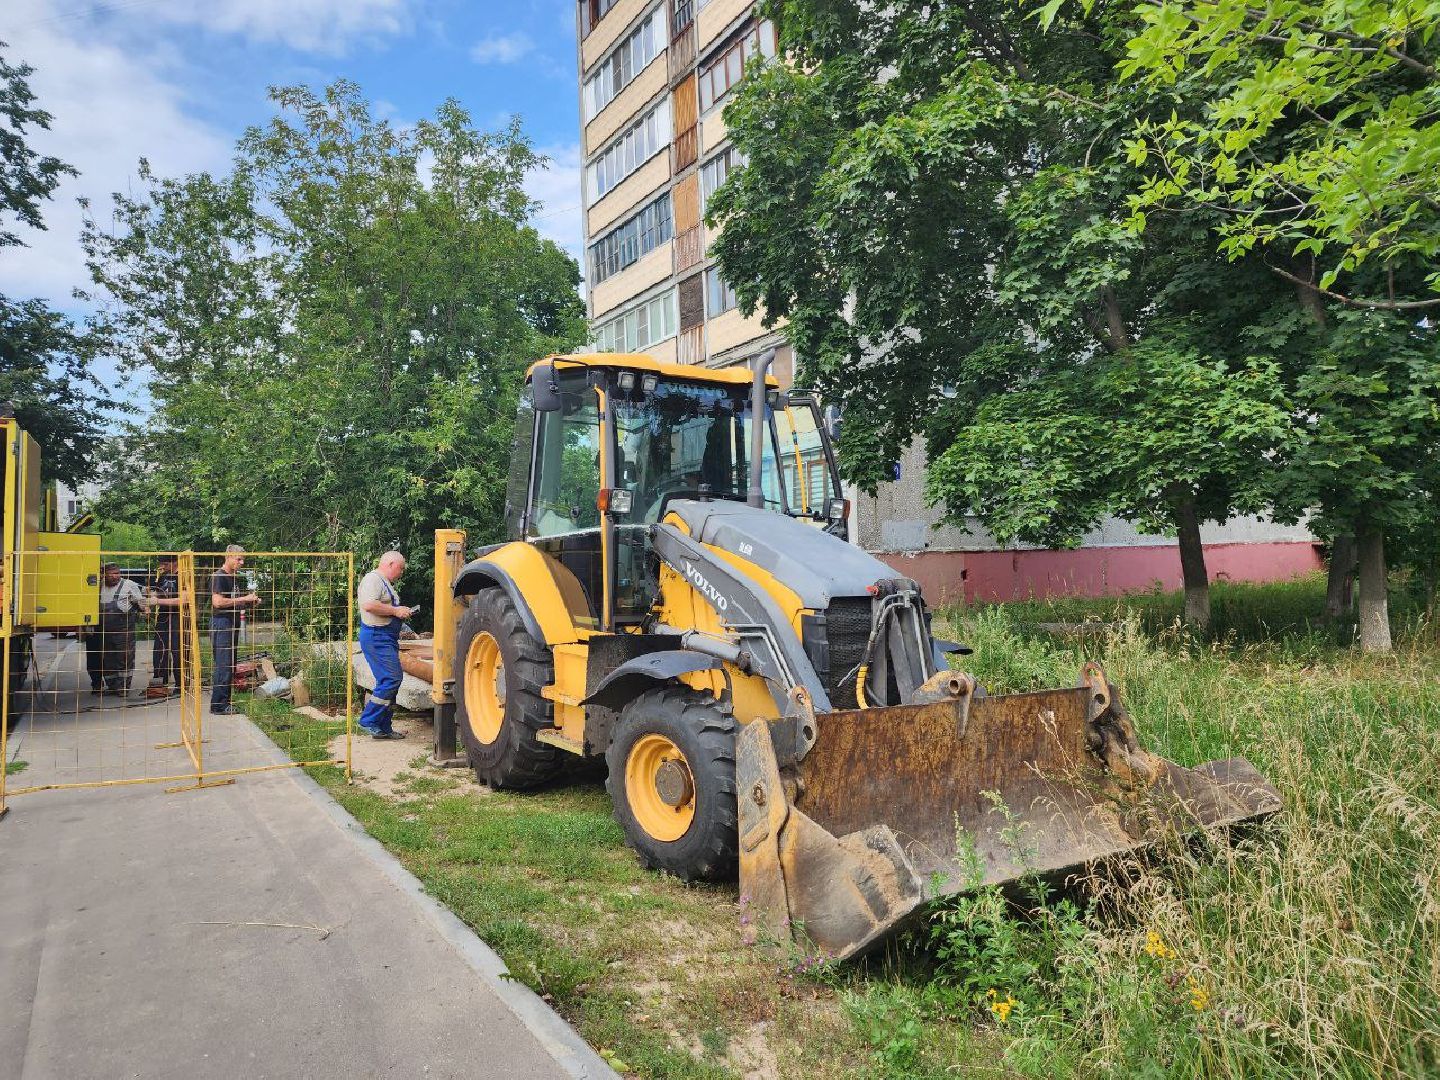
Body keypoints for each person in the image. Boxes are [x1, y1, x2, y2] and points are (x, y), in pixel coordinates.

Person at [355, 550, 415, 739]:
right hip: (376, 637)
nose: (401, 572)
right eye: (400, 568)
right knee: (391, 679)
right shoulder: (373, 580)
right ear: (390, 564)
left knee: (389, 681)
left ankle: (383, 728)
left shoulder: (385, 583)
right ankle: (369, 720)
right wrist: (396, 611)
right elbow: (369, 605)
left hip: (385, 638)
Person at [209, 545, 259, 715]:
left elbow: (234, 600)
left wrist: (250, 601)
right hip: (222, 623)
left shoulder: (234, 577)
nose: (242, 562)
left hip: (232, 623)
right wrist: (244, 598)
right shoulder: (219, 576)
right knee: (223, 664)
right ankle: (218, 705)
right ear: (228, 556)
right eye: (239, 559)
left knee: (229, 664)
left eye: (243, 559)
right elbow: (217, 602)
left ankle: (225, 701)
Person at [93, 563, 147, 695]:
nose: (115, 576)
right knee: (108, 658)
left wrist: (145, 610)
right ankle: (112, 686)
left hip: (124, 630)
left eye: (117, 573)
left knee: (124, 658)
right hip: (104, 630)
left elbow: (141, 603)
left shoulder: (129, 585)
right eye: (112, 573)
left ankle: (123, 688)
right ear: (104, 574)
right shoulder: (98, 586)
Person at [147, 556, 182, 693]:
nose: (163, 566)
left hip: (178, 617)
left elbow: (183, 600)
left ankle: (181, 685)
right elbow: (154, 593)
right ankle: (160, 684)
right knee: (159, 651)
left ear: (175, 562)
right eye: (161, 563)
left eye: (166, 563)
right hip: (162, 617)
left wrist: (158, 602)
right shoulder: (162, 576)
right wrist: (148, 603)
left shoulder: (184, 577)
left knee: (177, 651)